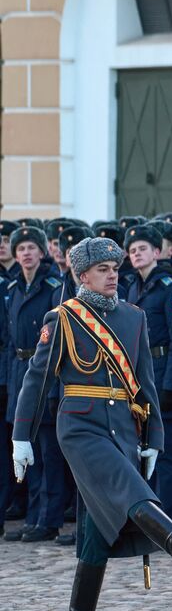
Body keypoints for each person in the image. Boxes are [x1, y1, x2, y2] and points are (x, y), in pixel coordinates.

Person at [12, 237, 172, 611]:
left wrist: (154, 436)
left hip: (122, 424)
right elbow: (37, 378)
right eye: (103, 270)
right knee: (124, 484)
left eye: (115, 269)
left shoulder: (134, 317)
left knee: (97, 526)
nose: (112, 276)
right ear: (82, 275)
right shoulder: (63, 318)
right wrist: (21, 437)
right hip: (80, 426)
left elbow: (145, 384)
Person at [121, 223, 172, 520]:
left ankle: (167, 518)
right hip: (138, 379)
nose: (137, 254)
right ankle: (147, 516)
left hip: (163, 377)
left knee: (166, 455)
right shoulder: (130, 288)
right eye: (132, 250)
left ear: (157, 252)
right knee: (140, 450)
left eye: (142, 249)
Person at [3, 225, 65, 542]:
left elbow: (55, 341)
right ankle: (33, 516)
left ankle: (49, 518)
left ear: (42, 252)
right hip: (20, 373)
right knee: (25, 451)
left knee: (48, 452)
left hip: (45, 374)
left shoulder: (53, 287)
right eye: (21, 248)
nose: (26, 253)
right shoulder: (14, 288)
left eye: (31, 247)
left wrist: (54, 389)